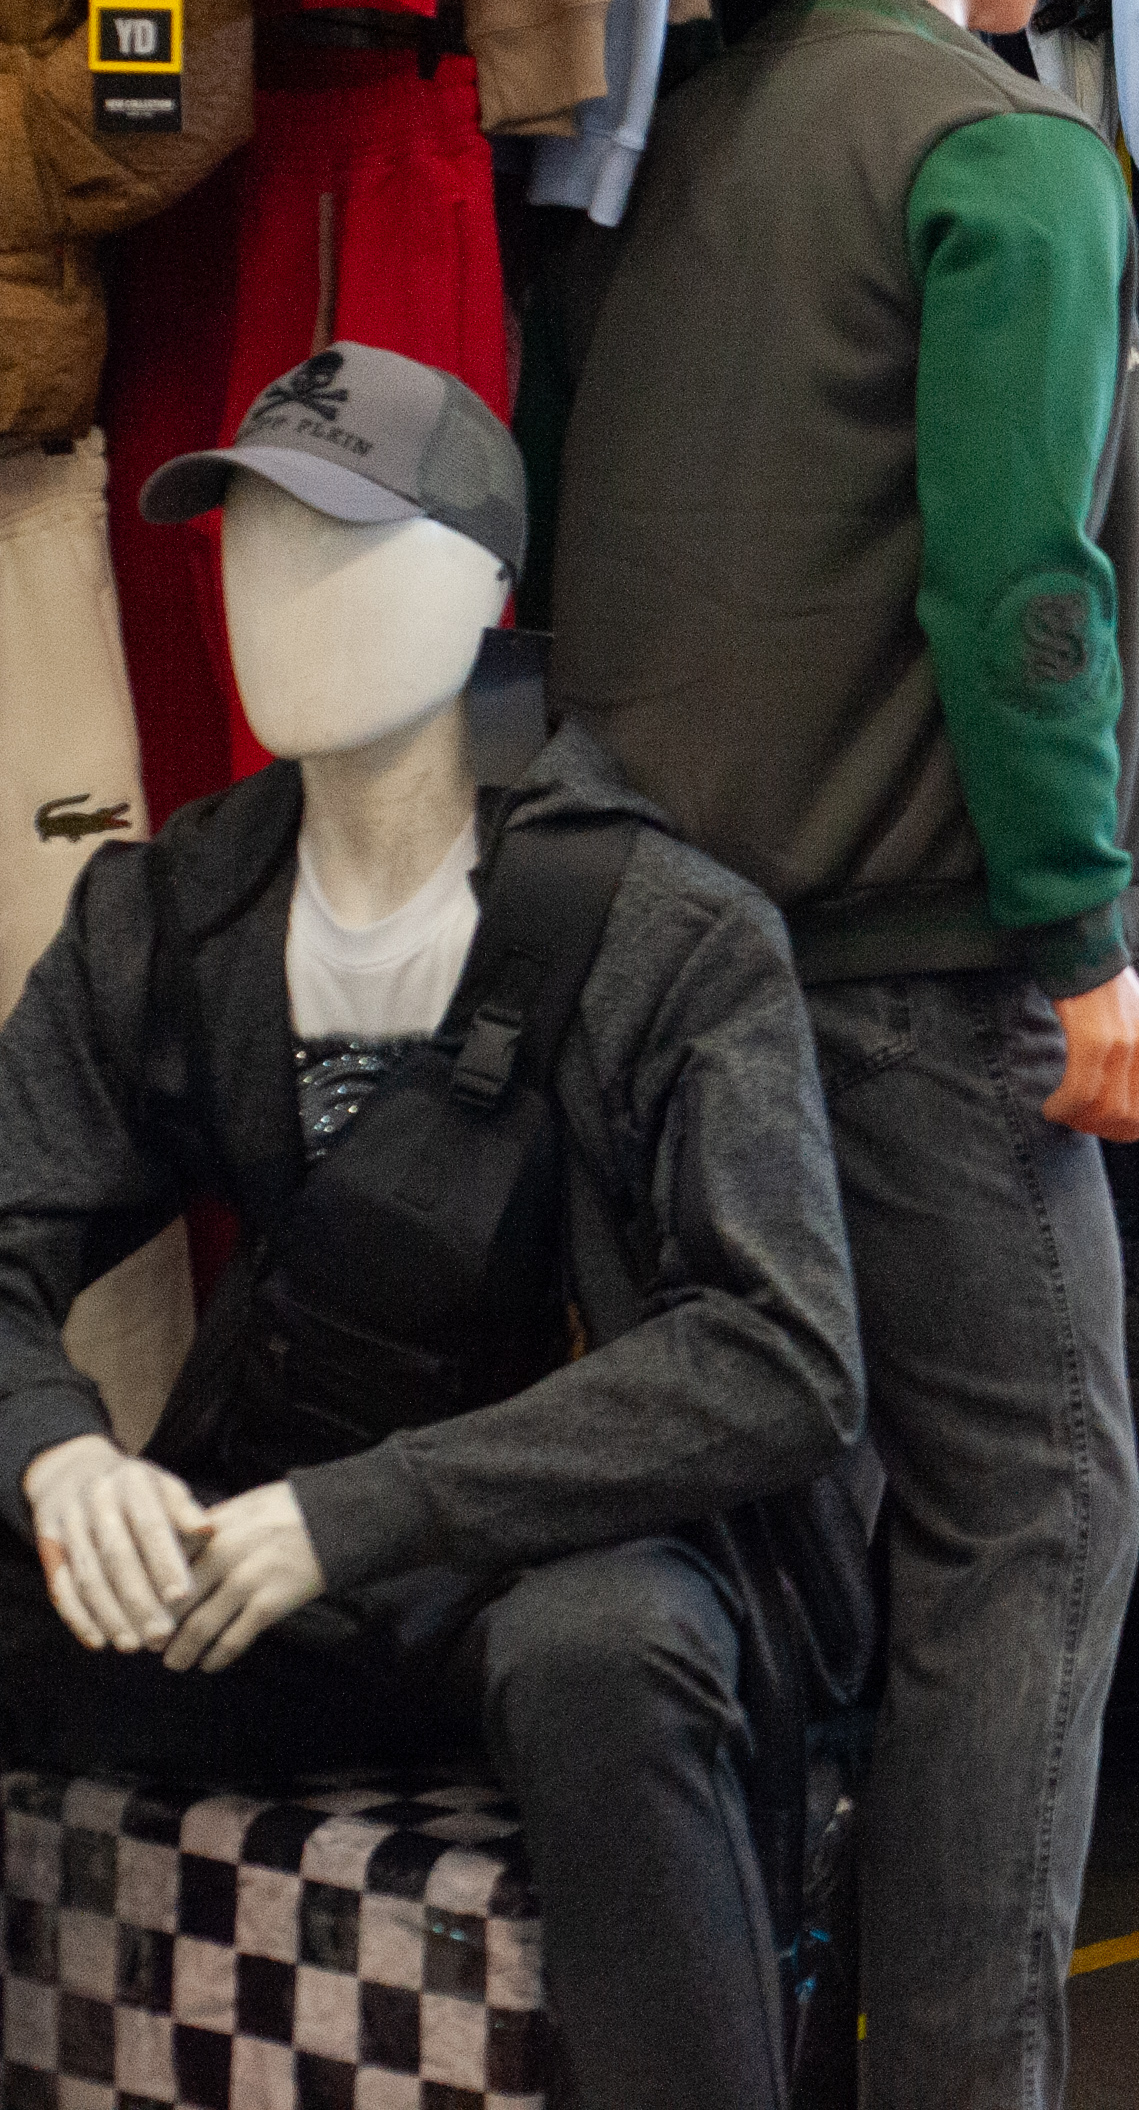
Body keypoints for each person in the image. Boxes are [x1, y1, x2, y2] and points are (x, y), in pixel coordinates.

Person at [0, 351, 862, 2110]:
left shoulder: (674, 933)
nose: (274, 591)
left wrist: (367, 1511)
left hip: (567, 1555)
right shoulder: (171, 910)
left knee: (604, 1658)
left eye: (342, 540)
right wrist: (57, 1457)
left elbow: (782, 1355)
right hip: (268, 1563)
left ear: (482, 586)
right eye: (244, 539)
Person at [551, 0, 1139, 2107]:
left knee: (772, 1534)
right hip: (921, 977)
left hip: (643, 956)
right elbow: (1021, 579)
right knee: (1034, 1513)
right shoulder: (1003, 154)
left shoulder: (675, 132)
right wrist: (1086, 940)